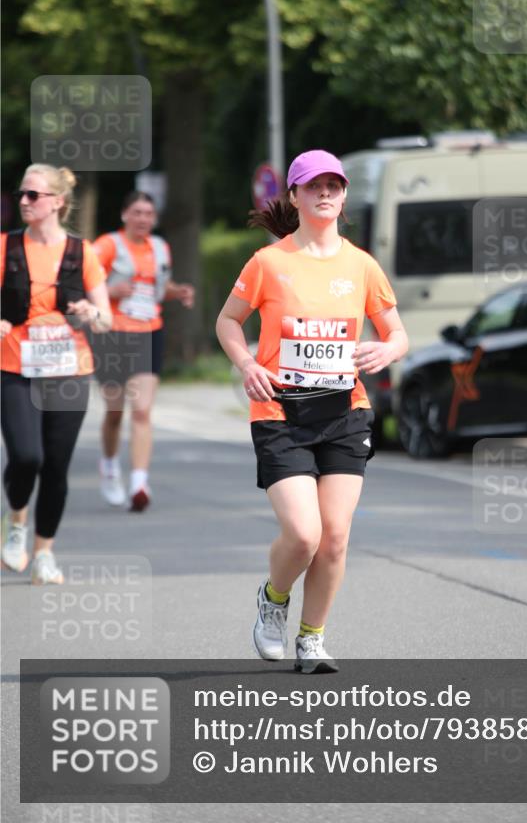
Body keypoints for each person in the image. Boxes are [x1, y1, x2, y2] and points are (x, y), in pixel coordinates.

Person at [216, 149, 408, 673]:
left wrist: (388, 350)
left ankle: (312, 638)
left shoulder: (362, 264)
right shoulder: (268, 262)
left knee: (336, 537)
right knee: (305, 534)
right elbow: (228, 322)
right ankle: (274, 600)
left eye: (335, 185)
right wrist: (245, 363)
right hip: (280, 412)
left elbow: (397, 332)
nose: (326, 192)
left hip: (345, 412)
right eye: (314, 185)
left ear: (344, 197)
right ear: (296, 196)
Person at [1, 165, 112, 585]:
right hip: (15, 365)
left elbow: (105, 319)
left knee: (56, 467)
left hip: (69, 370)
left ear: (57, 202)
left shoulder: (82, 254)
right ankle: (16, 523)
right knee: (27, 456)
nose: (24, 201)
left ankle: (44, 551)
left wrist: (90, 311)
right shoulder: (5, 247)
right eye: (22, 195)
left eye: (33, 195)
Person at [91, 192, 195, 512]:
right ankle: (109, 466)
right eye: (137, 212)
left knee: (142, 410)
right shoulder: (108, 245)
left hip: (148, 332)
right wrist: (109, 291)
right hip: (112, 334)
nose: (143, 219)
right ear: (124, 215)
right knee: (114, 413)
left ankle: (138, 482)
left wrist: (177, 292)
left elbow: (157, 288)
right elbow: (81, 282)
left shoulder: (160, 247)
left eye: (149, 213)